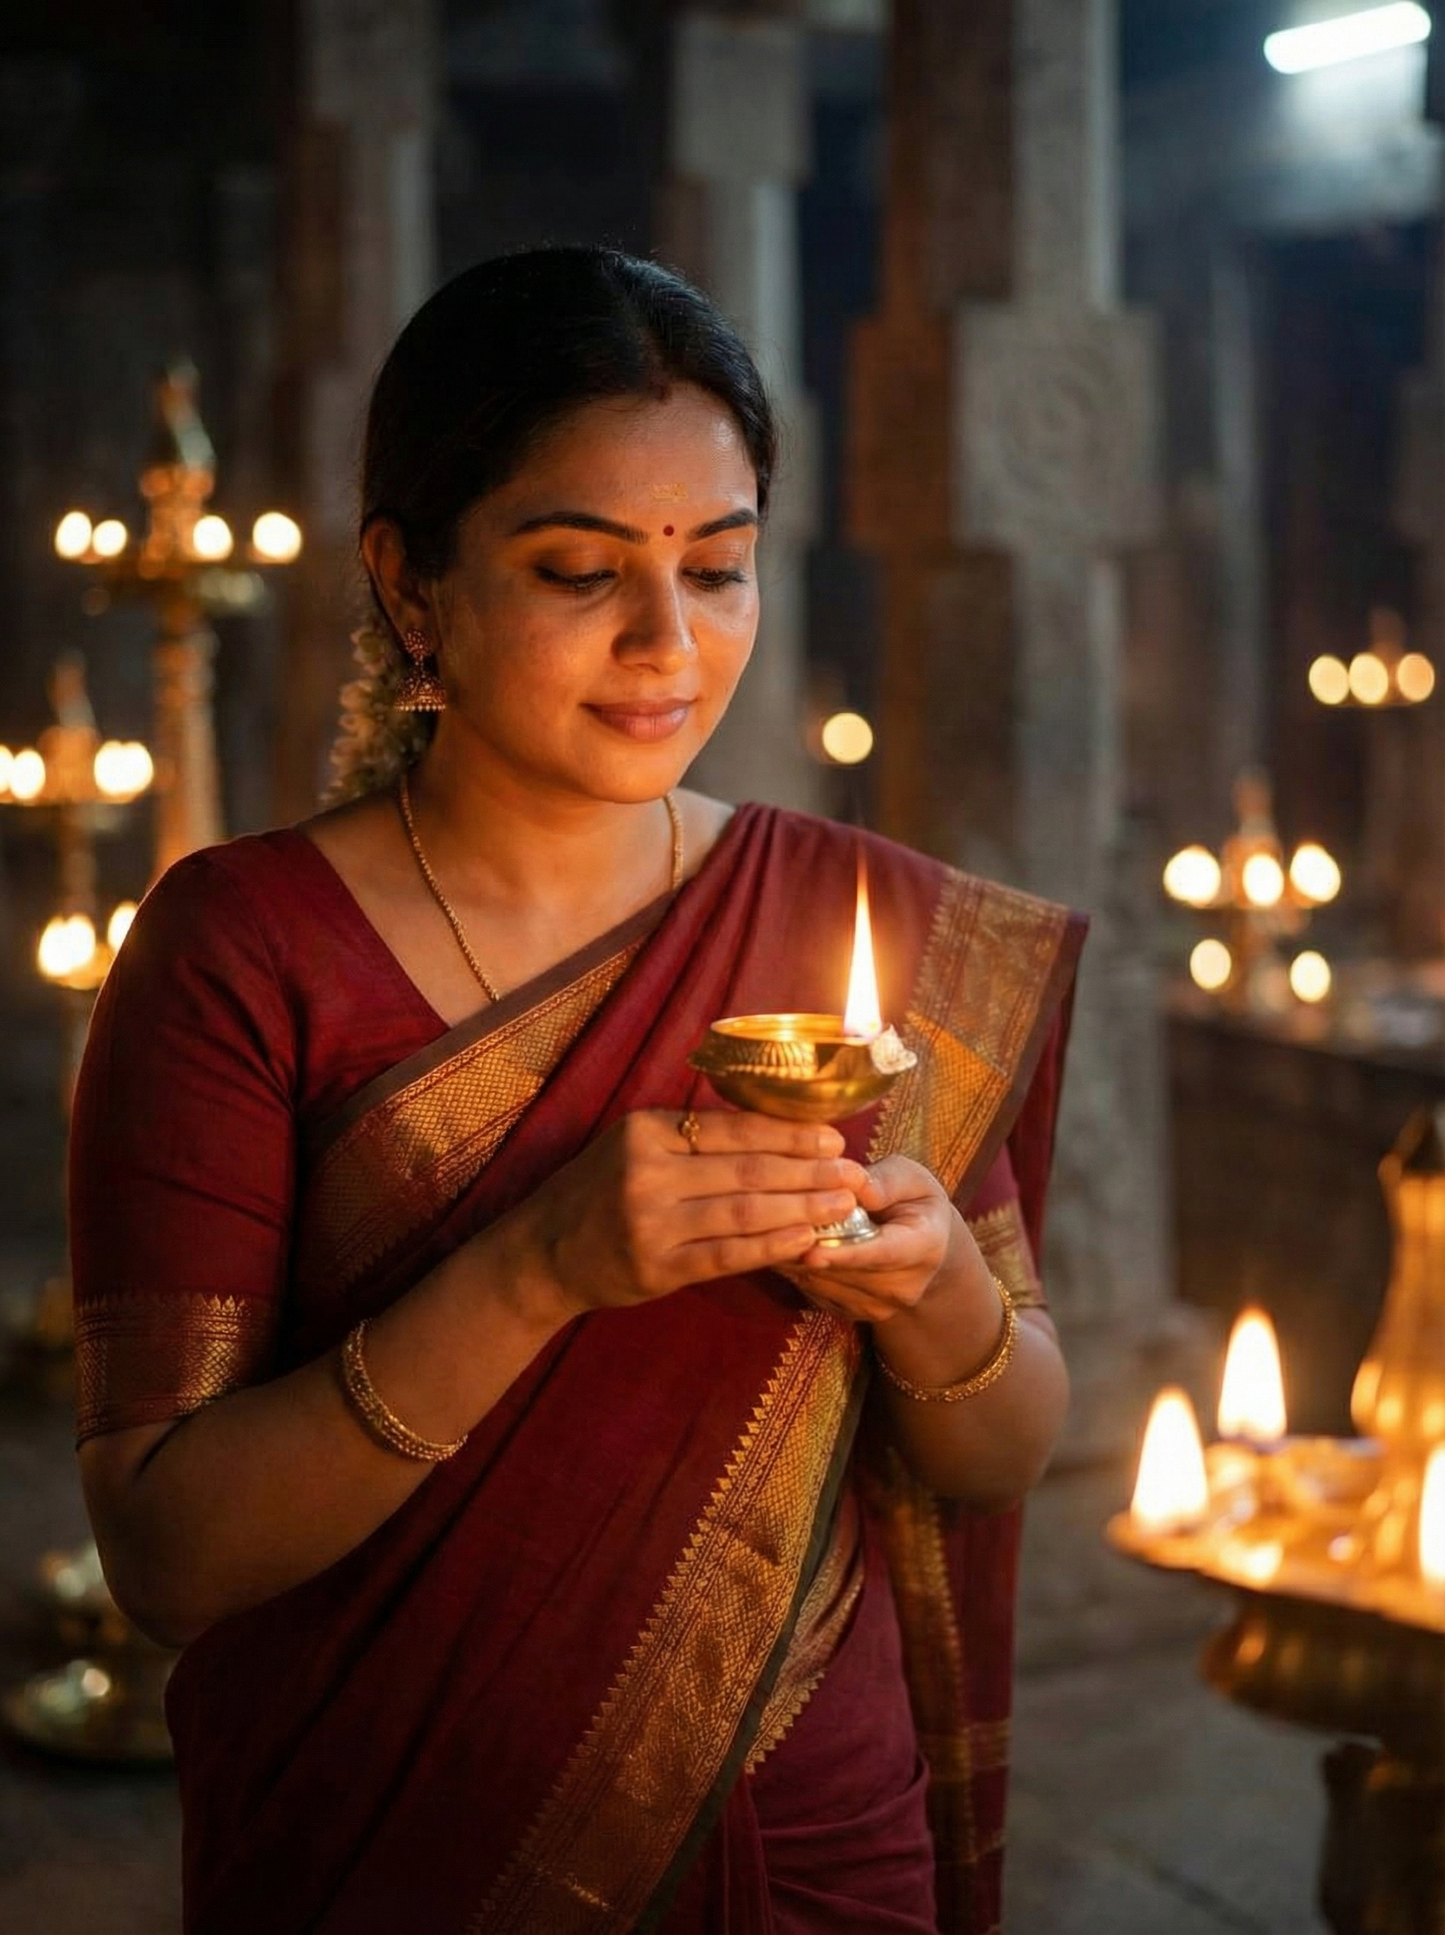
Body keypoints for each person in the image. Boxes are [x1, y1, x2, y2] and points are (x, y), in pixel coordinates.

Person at [71, 247, 1084, 1935]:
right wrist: (537, 1268)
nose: (667, 643)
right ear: (411, 583)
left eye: (720, 567)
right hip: (397, 1851)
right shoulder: (243, 949)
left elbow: (1006, 1447)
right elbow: (167, 1554)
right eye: (578, 570)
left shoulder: (848, 920)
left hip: (814, 1845)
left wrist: (934, 1292)